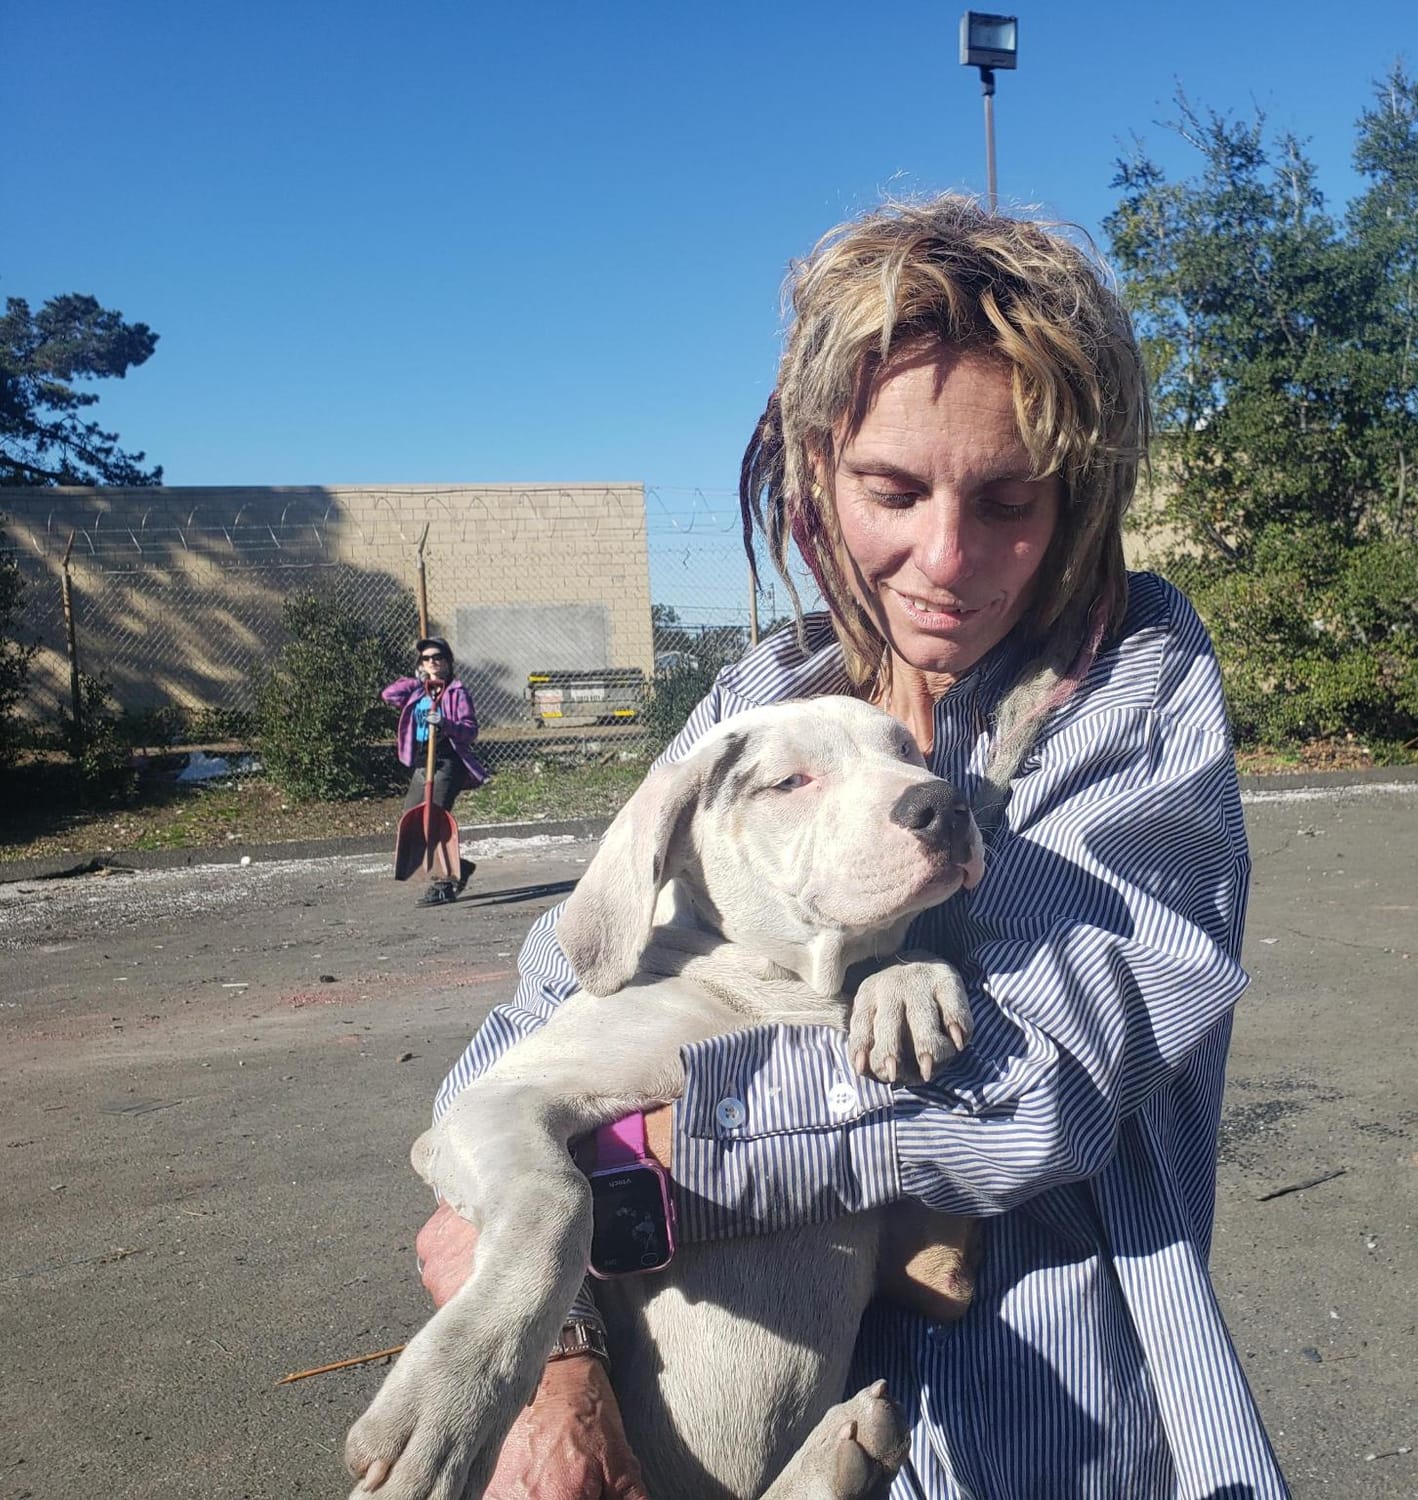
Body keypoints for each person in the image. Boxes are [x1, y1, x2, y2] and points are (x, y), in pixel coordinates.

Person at [414, 196, 1291, 1499]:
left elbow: (1022, 1088)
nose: (945, 558)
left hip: (1031, 1433)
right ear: (815, 463)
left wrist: (599, 1178)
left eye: (1008, 499)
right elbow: (527, 1034)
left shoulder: (1128, 688)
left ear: (1081, 493)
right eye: (894, 487)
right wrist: (550, 1364)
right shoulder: (755, 707)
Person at [380, 636, 487, 904]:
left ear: (448, 662)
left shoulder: (457, 692)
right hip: (421, 763)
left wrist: (446, 723)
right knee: (412, 822)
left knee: (434, 822)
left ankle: (444, 884)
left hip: (446, 763)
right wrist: (417, 680)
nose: (433, 662)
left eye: (437, 657)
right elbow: (388, 695)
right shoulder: (417, 692)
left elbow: (470, 730)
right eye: (426, 658)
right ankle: (459, 867)